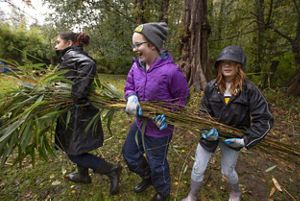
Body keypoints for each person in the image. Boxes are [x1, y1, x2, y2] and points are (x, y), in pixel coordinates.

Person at [181, 45, 273, 201]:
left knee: (227, 171)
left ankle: (235, 193)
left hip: (233, 138)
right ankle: (192, 195)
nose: (227, 66)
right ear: (219, 66)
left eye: (232, 62)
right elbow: (203, 112)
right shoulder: (211, 87)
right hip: (210, 136)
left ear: (239, 66)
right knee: (198, 168)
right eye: (224, 62)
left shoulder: (249, 90)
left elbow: (264, 119)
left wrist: (245, 140)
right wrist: (206, 130)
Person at [123, 22, 189, 201]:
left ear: (152, 44)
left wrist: (168, 115)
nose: (135, 49)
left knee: (157, 163)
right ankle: (148, 177)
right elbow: (129, 86)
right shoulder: (136, 66)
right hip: (140, 123)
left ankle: (163, 191)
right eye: (134, 45)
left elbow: (182, 100)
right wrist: (131, 97)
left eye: (138, 45)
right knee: (129, 154)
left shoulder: (172, 72)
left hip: (159, 129)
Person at [54, 32, 121, 195]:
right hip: (73, 110)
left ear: (69, 43)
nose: (55, 45)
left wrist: (78, 98)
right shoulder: (70, 55)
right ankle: (83, 175)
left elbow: (88, 65)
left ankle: (111, 170)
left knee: (74, 153)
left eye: (58, 42)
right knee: (76, 146)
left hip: (78, 111)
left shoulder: (73, 55)